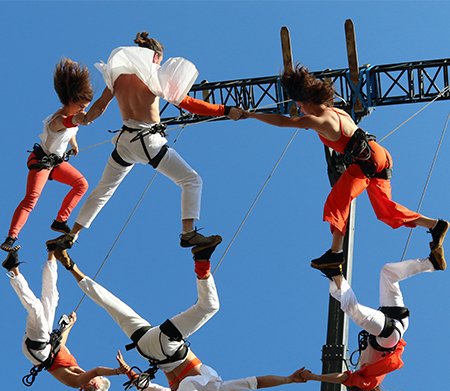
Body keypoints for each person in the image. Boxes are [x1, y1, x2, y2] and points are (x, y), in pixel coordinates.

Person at [52, 238, 307, 391]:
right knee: (111, 305)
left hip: (168, 346)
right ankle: (72, 267)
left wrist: (288, 379)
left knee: (209, 307)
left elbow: (256, 382)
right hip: (145, 349)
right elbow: (148, 390)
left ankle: (201, 261)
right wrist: (128, 370)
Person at [240, 64, 448, 270]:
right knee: (385, 210)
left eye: (300, 106)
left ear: (309, 102)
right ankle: (434, 225)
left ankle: (335, 253)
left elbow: (283, 122)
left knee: (337, 199)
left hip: (367, 161)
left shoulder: (319, 120)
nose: (300, 111)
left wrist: (250, 115)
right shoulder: (337, 112)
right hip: (379, 155)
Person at [59, 31, 242, 251]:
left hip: (124, 141)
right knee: (191, 180)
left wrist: (85, 119)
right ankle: (188, 233)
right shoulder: (154, 75)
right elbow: (188, 103)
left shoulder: (116, 77)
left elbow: (99, 107)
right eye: (161, 60)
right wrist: (224, 110)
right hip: (147, 141)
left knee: (103, 189)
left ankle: (72, 234)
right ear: (155, 57)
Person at [299, 248, 444, 391]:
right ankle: (334, 270)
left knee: (388, 273)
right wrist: (314, 377)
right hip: (387, 337)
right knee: (353, 309)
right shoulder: (367, 383)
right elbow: (342, 378)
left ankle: (431, 263)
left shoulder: (369, 373)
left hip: (397, 322)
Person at [2, 246, 127, 391]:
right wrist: (70, 326)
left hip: (39, 352)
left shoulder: (77, 382)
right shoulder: (75, 365)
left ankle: (13, 269)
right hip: (46, 344)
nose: (99, 376)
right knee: (52, 298)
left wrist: (117, 371)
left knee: (36, 309)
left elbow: (97, 370)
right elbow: (60, 345)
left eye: (100, 379)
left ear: (96, 386)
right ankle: (52, 253)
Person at [1, 58, 92, 252]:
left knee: (81, 184)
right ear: (71, 101)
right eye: (81, 106)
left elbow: (71, 132)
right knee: (31, 198)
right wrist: (79, 119)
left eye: (85, 107)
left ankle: (60, 220)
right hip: (42, 161)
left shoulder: (73, 119)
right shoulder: (57, 119)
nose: (83, 110)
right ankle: (11, 236)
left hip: (57, 163)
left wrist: (74, 144)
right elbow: (68, 123)